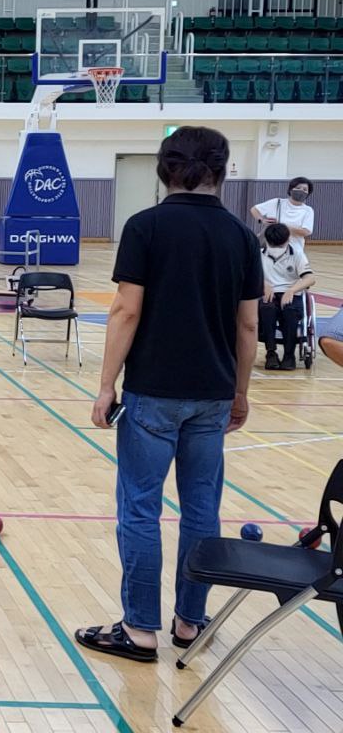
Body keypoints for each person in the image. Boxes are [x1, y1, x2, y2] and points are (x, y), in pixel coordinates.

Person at [75, 127, 261, 663]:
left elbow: (126, 310)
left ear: (163, 169)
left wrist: (107, 385)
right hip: (213, 395)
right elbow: (247, 327)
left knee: (139, 509)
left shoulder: (145, 227)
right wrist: (240, 392)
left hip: (153, 394)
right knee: (202, 510)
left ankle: (138, 631)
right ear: (223, 171)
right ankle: (189, 622)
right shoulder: (240, 237)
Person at [257, 223, 315, 371]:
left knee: (290, 312)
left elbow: (310, 278)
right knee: (267, 309)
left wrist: (291, 290)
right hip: (268, 293)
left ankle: (289, 355)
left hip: (291, 293)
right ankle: (271, 353)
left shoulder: (296, 253)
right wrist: (263, 283)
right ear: (288, 238)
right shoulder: (258, 254)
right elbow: (246, 276)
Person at [250, 176, 315, 243]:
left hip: (294, 248)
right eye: (298, 188)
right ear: (290, 190)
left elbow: (306, 232)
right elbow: (254, 209)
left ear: (308, 193)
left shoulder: (308, 210)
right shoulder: (277, 202)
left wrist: (281, 227)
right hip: (270, 245)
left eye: (305, 189)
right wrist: (262, 220)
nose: (301, 191)